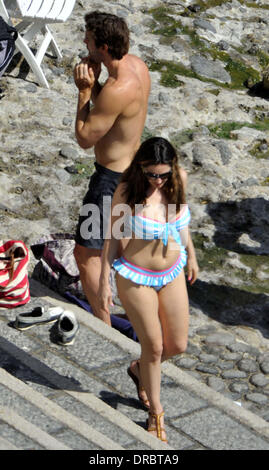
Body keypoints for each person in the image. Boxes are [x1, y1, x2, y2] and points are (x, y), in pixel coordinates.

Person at [98, 137, 199, 444]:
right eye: (152, 174)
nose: (158, 180)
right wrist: (104, 281)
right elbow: (112, 239)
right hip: (136, 275)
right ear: (141, 167)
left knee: (178, 344)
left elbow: (181, 223)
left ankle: (139, 369)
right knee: (153, 347)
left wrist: (191, 253)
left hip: (172, 269)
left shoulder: (178, 180)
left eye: (163, 174)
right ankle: (156, 414)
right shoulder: (128, 191)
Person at [73, 11, 151, 325]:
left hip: (110, 183)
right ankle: (130, 314)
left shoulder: (117, 89)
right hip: (135, 176)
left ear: (103, 47)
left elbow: (84, 138)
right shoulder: (138, 67)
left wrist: (83, 91)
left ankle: (103, 326)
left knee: (86, 255)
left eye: (88, 38)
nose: (83, 41)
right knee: (115, 251)